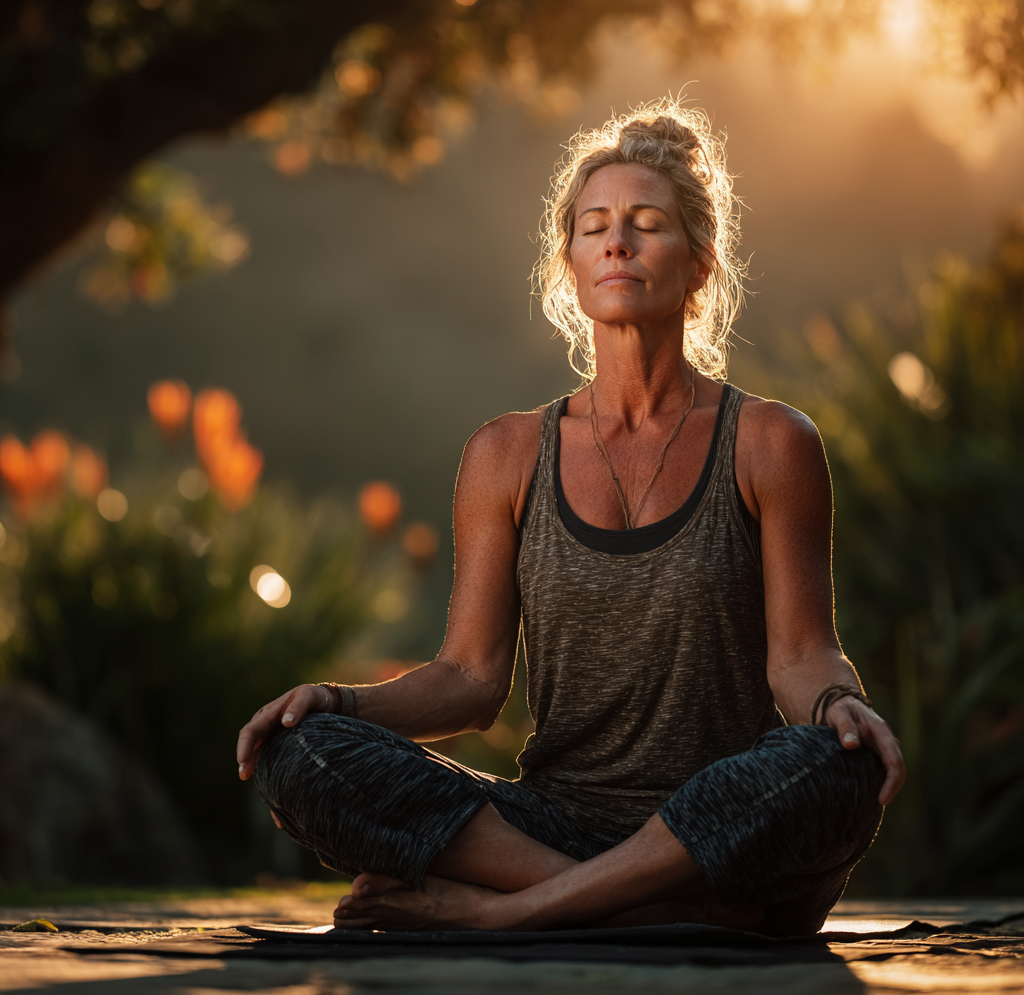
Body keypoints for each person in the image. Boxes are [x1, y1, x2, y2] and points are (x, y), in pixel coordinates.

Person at [236, 99, 905, 937]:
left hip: (721, 819)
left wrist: (841, 704)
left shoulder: (770, 441)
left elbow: (801, 656)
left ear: (700, 264)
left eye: (646, 223)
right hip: (550, 822)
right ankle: (660, 909)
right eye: (595, 227)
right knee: (305, 753)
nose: (617, 241)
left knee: (835, 764)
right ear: (572, 264)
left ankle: (513, 917)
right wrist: (335, 702)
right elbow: (472, 681)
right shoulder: (506, 454)